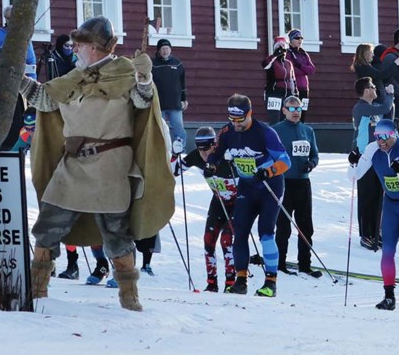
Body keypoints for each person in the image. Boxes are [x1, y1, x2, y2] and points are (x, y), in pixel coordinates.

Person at [19, 16, 173, 311]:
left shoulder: (125, 72)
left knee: (117, 235)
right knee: (47, 228)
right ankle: (37, 293)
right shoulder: (72, 78)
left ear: (95, 47)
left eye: (81, 43)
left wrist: (145, 79)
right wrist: (14, 78)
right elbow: (44, 98)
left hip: (110, 167)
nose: (74, 47)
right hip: (72, 167)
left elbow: (142, 102)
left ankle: (129, 297)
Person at [204, 94, 290, 297]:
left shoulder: (264, 132)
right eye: (232, 119)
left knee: (266, 232)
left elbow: (286, 161)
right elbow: (216, 152)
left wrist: (269, 171)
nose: (236, 124)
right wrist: (212, 164)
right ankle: (240, 281)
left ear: (250, 114)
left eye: (240, 119)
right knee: (239, 231)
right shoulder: (226, 132)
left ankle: (271, 282)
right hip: (246, 187)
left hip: (270, 187)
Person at [348, 119, 399, 312]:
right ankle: (389, 297)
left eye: (385, 137)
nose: (381, 141)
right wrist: (352, 163)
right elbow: (355, 176)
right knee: (387, 251)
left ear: (394, 134)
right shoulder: (372, 150)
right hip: (392, 205)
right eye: (377, 137)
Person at [180, 127, 238, 293]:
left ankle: (231, 282)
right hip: (218, 201)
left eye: (207, 149)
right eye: (200, 149)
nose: (204, 153)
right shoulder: (196, 156)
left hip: (238, 203)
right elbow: (174, 171)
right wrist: (175, 155)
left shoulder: (225, 155)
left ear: (215, 145)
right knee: (208, 240)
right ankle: (211, 283)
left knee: (227, 240)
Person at [273, 94, 320, 277]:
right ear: (284, 110)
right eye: (291, 108)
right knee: (283, 225)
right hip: (283, 182)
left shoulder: (308, 131)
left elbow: (315, 154)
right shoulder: (276, 130)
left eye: (298, 108)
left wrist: (311, 164)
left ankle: (305, 264)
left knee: (305, 225)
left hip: (303, 182)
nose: (295, 112)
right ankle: (280, 263)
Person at [351, 77, 386, 251]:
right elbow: (387, 106)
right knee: (366, 196)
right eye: (372, 87)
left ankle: (376, 231)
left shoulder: (373, 110)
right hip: (364, 156)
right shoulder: (361, 107)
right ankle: (366, 233)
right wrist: (390, 95)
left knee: (379, 196)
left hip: (377, 155)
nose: (375, 89)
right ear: (366, 91)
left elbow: (388, 113)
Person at [151, 38, 187, 143]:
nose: (165, 51)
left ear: (170, 49)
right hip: (158, 104)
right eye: (162, 49)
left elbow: (182, 83)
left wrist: (184, 99)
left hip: (175, 104)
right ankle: (162, 151)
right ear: (158, 50)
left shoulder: (178, 64)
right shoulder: (153, 65)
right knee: (159, 130)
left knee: (179, 129)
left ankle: (180, 151)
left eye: (167, 48)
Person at [0, 7, 37, 79]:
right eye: (8, 18)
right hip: (0, 78)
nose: (11, 20)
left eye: (14, 17)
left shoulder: (24, 36)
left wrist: (32, 80)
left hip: (20, 78)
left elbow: (31, 61)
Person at [262, 35, 296, 124]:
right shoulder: (272, 61)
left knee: (285, 119)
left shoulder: (288, 63)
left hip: (287, 95)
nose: (281, 48)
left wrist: (294, 94)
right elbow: (265, 65)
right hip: (274, 94)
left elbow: (292, 79)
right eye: (278, 46)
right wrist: (274, 55)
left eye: (283, 46)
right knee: (275, 120)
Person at [352, 43, 390, 118]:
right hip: (374, 101)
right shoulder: (363, 68)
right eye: (371, 52)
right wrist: (395, 64)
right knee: (375, 126)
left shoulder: (366, 66)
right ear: (365, 53)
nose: (373, 55)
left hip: (376, 100)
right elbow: (380, 75)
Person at [286, 29, 315, 117]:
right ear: (291, 41)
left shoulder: (304, 54)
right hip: (295, 88)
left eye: (301, 38)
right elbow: (291, 70)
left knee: (303, 111)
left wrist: (300, 66)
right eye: (297, 38)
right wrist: (303, 70)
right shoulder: (288, 53)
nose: (300, 40)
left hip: (305, 88)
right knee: (294, 112)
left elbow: (312, 69)